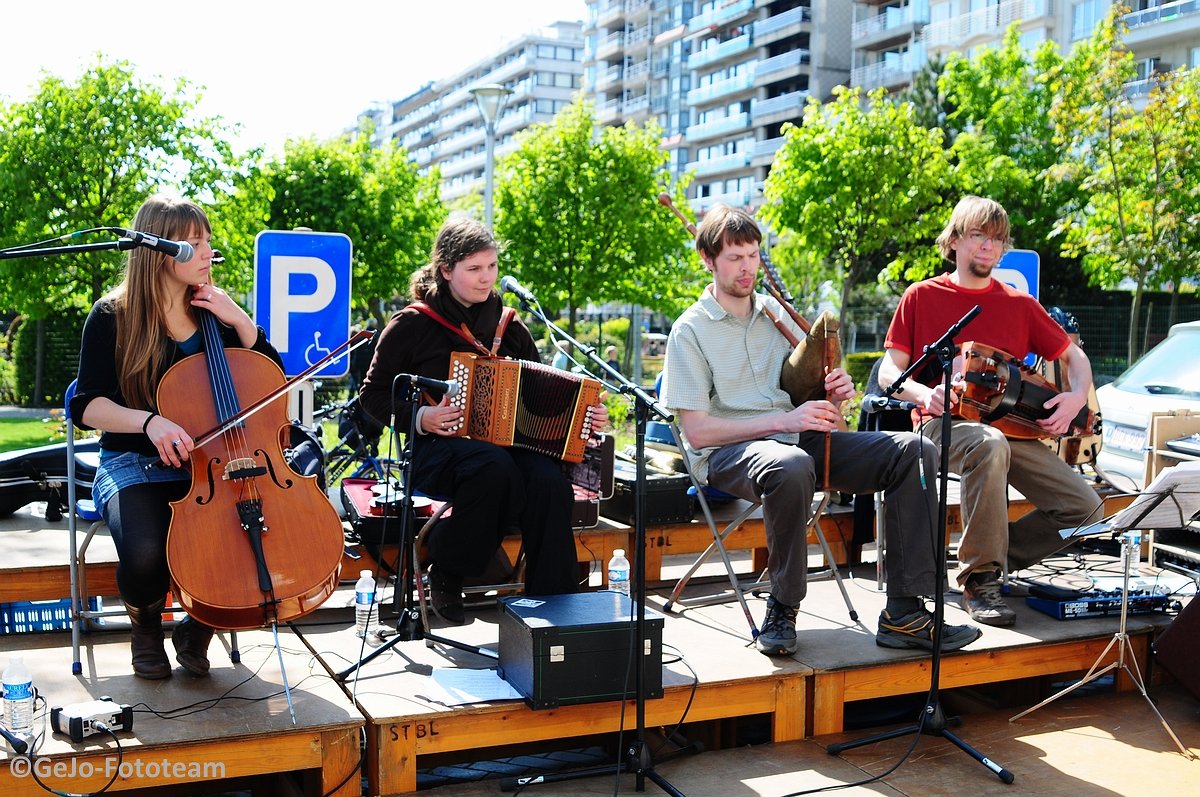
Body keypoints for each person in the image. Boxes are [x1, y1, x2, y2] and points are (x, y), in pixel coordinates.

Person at [661, 204, 980, 657]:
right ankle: (783, 604)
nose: (748, 266)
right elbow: (697, 432)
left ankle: (905, 613)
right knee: (789, 465)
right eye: (734, 257)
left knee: (914, 451)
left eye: (753, 254)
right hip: (730, 453)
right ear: (708, 260)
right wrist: (784, 422)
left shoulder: (778, 314)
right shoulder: (688, 331)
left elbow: (809, 393)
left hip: (798, 441)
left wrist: (835, 391)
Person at [70, 194, 284, 679]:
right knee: (146, 555)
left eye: (208, 240)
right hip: (131, 461)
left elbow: (271, 380)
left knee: (248, 535)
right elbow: (86, 405)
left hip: (211, 463)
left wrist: (241, 322)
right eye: (193, 242)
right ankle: (146, 626)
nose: (208, 252)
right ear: (160, 251)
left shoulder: (215, 314)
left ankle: (198, 624)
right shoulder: (110, 317)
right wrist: (149, 421)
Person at [358, 215, 608, 624]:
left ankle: (555, 610)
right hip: (436, 451)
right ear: (446, 269)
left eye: (491, 267)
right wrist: (422, 416)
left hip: (505, 452)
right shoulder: (413, 324)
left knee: (548, 482)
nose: (486, 277)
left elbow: (545, 395)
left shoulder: (510, 326)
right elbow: (371, 395)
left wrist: (585, 414)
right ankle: (448, 566)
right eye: (474, 269)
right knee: (494, 469)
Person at [879, 196, 1103, 627]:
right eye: (979, 235)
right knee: (989, 444)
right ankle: (981, 581)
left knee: (1087, 510)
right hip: (941, 425)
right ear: (956, 239)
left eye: (997, 239)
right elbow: (890, 370)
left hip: (1008, 431)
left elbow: (1074, 358)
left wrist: (1077, 396)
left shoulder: (1019, 303)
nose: (988, 247)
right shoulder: (922, 295)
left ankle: (993, 558)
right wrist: (921, 396)